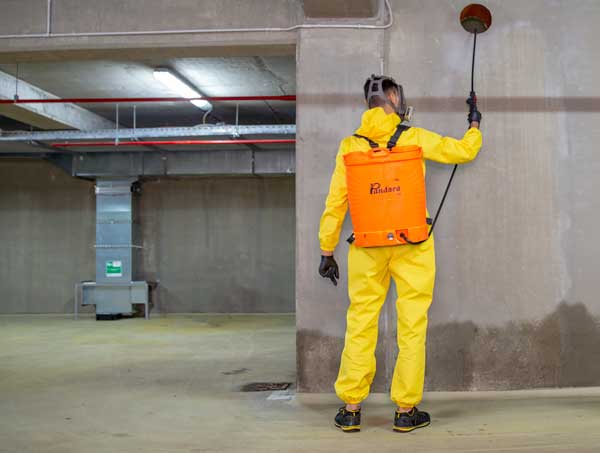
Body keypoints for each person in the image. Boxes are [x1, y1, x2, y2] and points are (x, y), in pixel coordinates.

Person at [318, 75, 482, 433]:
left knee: (361, 322)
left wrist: (327, 249)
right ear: (393, 98)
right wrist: (473, 125)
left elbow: (336, 202)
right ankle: (406, 411)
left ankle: (351, 409)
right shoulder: (413, 137)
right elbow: (463, 151)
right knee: (412, 326)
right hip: (412, 246)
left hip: (367, 247)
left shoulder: (349, 146)